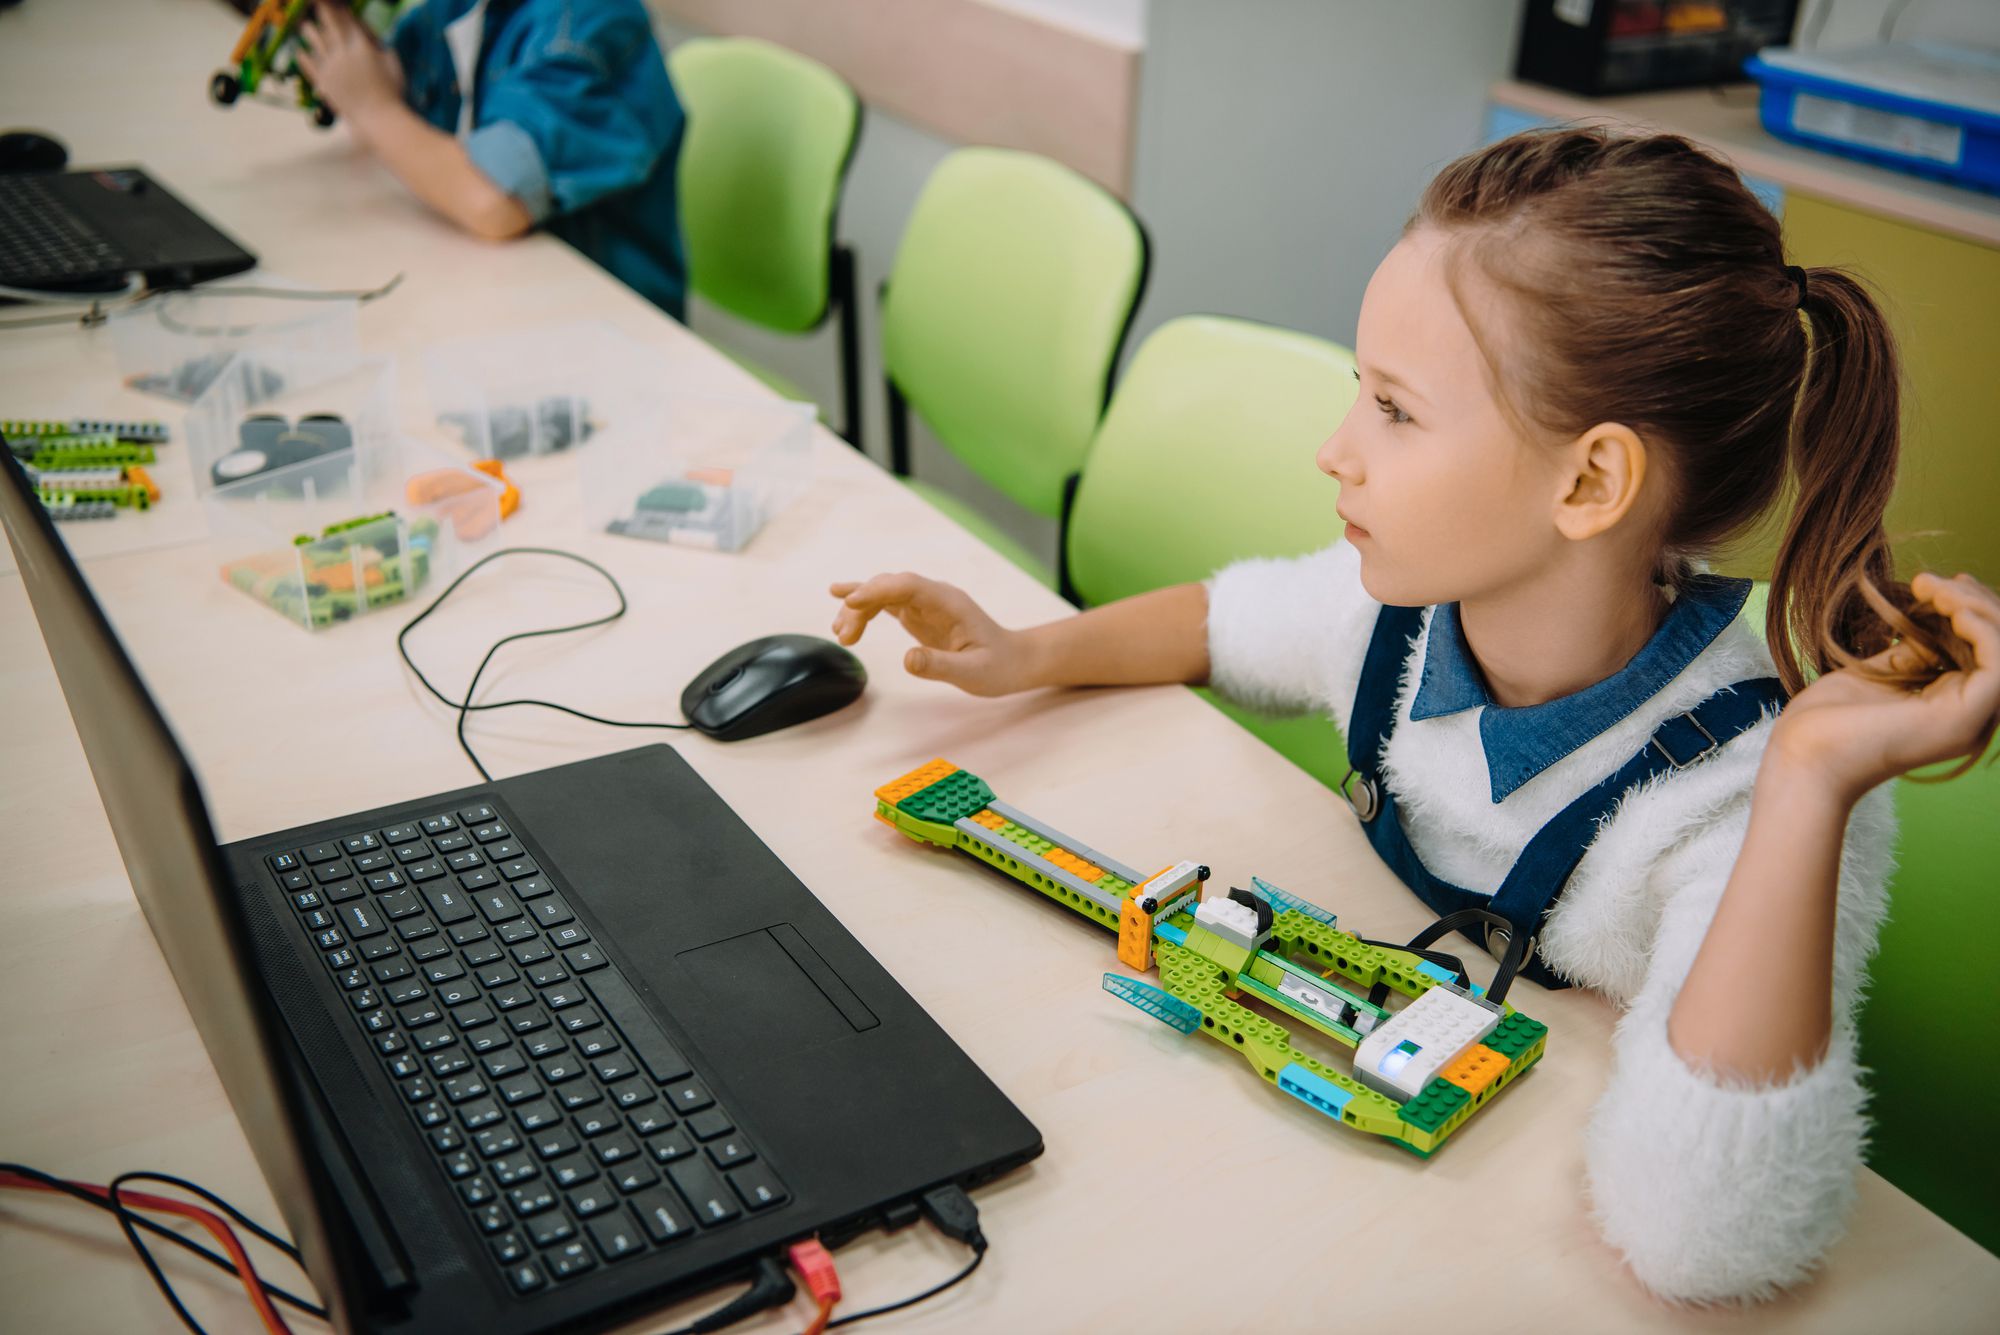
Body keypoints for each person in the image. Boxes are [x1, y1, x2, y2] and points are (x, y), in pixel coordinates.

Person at [826, 129, 2000, 1304]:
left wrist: (1807, 785)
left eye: (1391, 409)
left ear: (1587, 484)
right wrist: (1028, 649)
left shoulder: (1733, 798)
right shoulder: (1392, 611)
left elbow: (1706, 1246)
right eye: (1358, 392)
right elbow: (1223, 620)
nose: (1334, 451)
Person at [295, 0, 688, 318]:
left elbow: (494, 202)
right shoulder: (457, 10)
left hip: (606, 333)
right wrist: (349, 52)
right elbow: (393, 117)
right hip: (495, 296)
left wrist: (373, 107)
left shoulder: (589, 21)